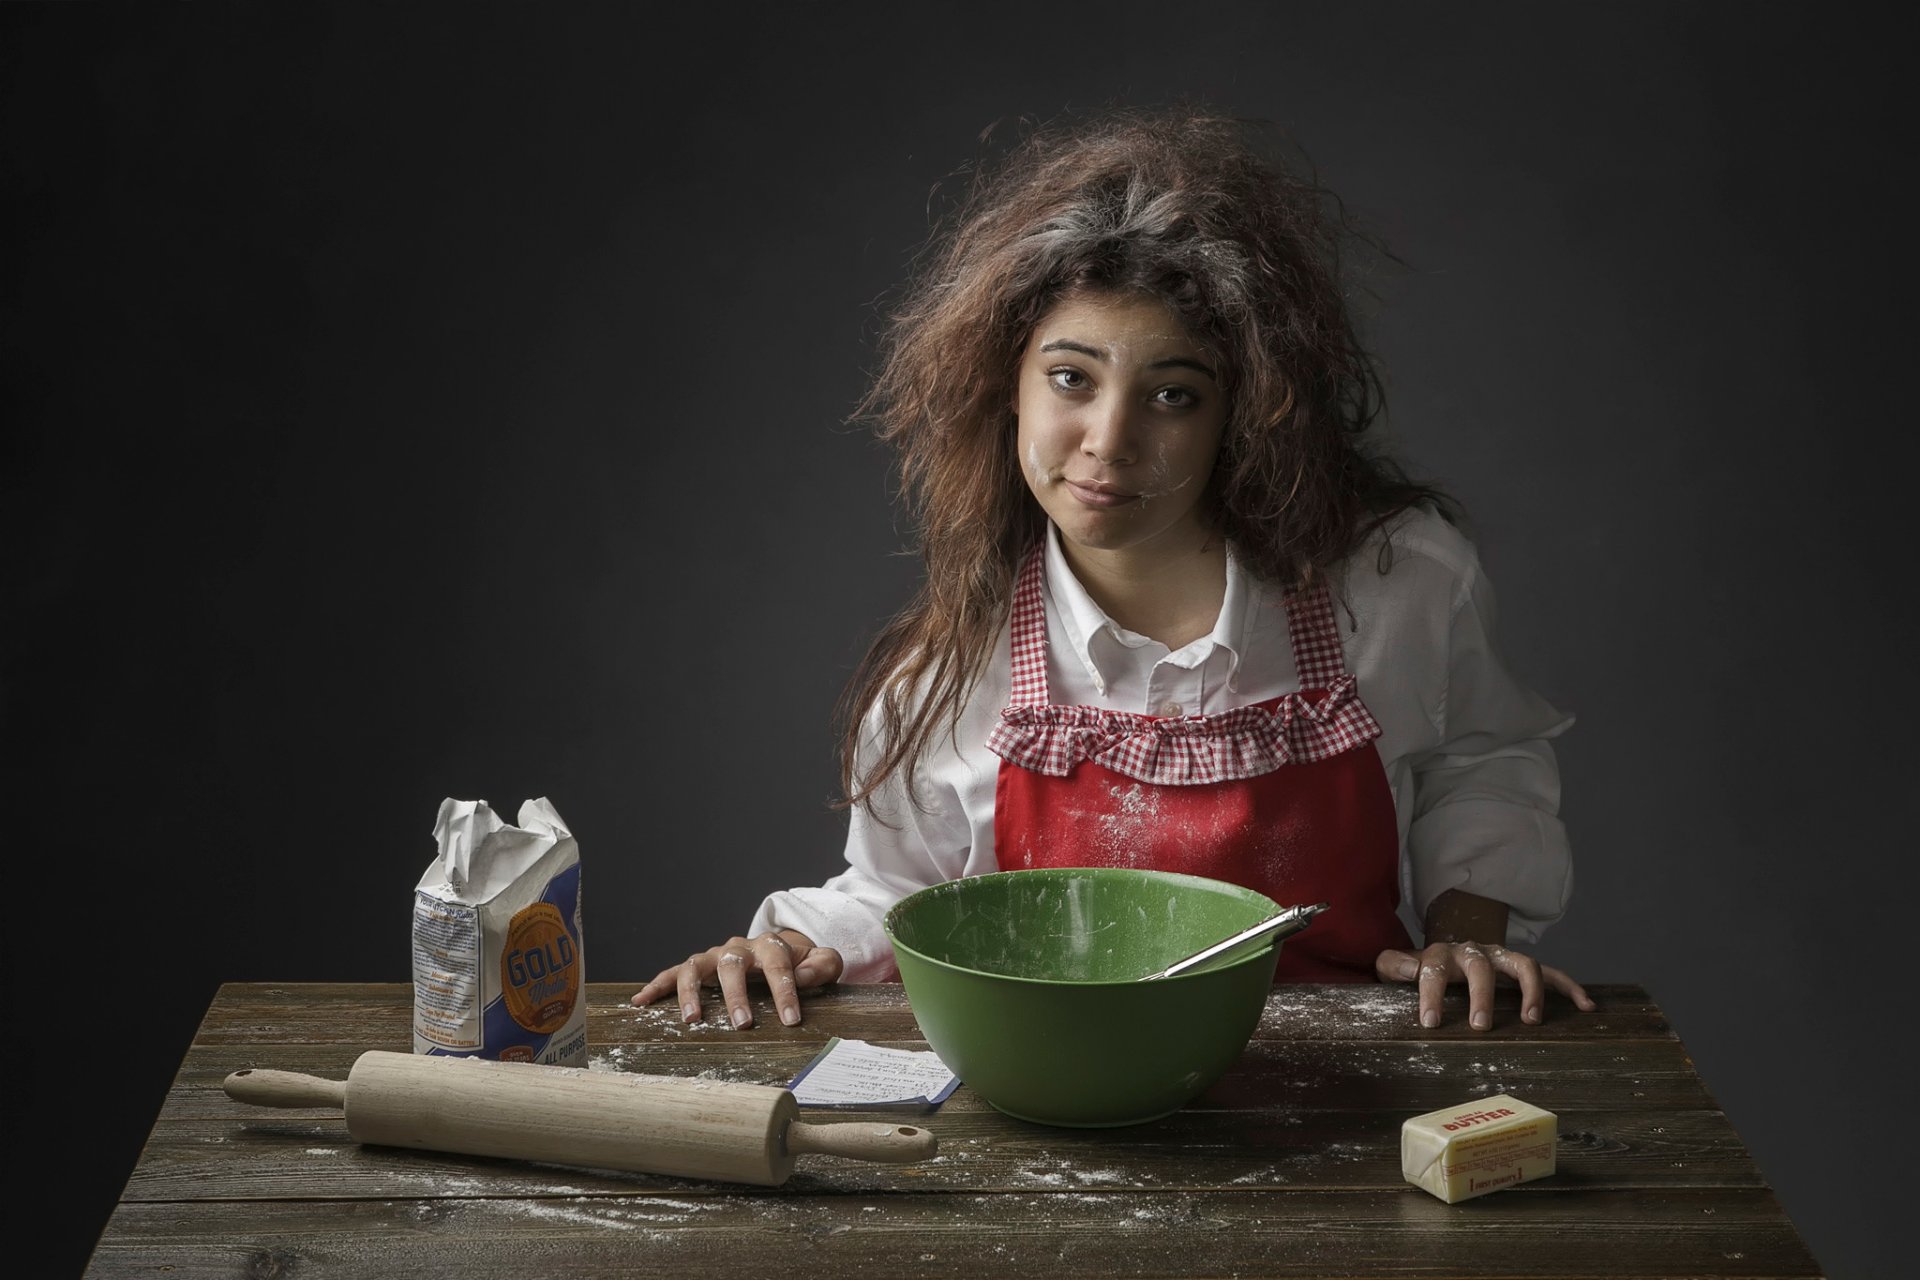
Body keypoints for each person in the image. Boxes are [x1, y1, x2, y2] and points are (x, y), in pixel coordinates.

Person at [633, 106, 1594, 1035]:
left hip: (1352, 1105)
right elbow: (893, 901)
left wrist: (1467, 935)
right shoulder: (950, 678)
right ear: (1003, 385)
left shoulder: (1397, 583)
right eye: (1071, 378)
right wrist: (782, 946)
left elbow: (1482, 756)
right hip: (1068, 1118)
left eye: (1173, 395)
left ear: (1248, 414)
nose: (1109, 441)